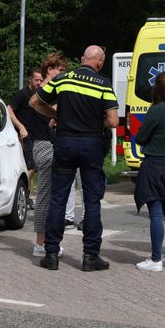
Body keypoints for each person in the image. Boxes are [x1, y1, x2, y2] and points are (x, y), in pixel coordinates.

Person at [30, 45, 118, 271]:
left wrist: (57, 114)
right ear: (100, 63)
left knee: (58, 199)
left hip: (65, 143)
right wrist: (93, 122)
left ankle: (51, 255)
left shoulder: (63, 79)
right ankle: (90, 256)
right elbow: (113, 121)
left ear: (81, 59)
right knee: (91, 201)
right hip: (91, 145)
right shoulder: (103, 84)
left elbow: (34, 102)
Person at [133, 71, 165, 272]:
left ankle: (155, 259)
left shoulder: (156, 111)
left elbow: (141, 138)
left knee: (155, 213)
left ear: (156, 88)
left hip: (154, 164)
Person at [29, 53, 67, 257]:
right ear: (48, 71)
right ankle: (40, 243)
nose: (62, 72)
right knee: (45, 195)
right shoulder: (44, 91)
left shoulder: (53, 91)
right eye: (58, 69)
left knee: (52, 195)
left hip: (50, 144)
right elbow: (44, 109)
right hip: (44, 145)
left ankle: (45, 240)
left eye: (63, 69)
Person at [7, 69, 44, 210]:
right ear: (30, 80)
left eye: (41, 80)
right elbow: (8, 109)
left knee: (32, 168)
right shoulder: (22, 94)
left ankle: (26, 197)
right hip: (25, 137)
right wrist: (21, 127)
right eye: (36, 80)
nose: (39, 83)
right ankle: (19, 195)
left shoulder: (40, 95)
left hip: (37, 135)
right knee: (31, 167)